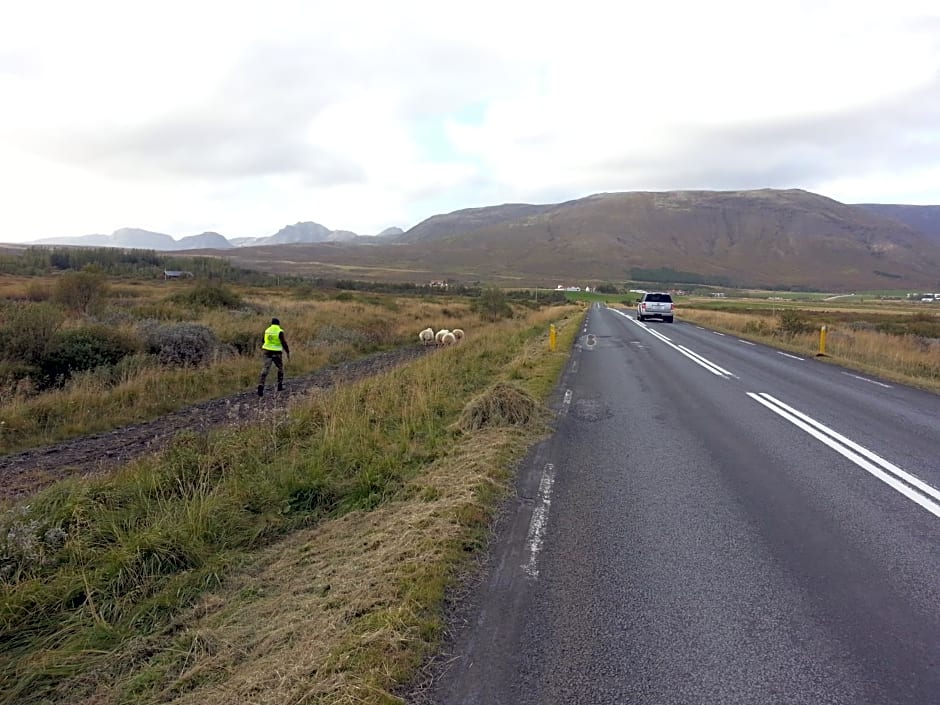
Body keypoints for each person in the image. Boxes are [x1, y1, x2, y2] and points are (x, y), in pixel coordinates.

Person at [257, 317, 290, 396]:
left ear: (271, 323)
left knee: (265, 368)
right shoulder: (279, 331)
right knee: (280, 368)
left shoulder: (267, 330)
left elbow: (263, 340)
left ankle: (260, 386)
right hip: (276, 352)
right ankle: (279, 386)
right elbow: (283, 342)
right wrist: (287, 351)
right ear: (278, 323)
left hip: (267, 351)